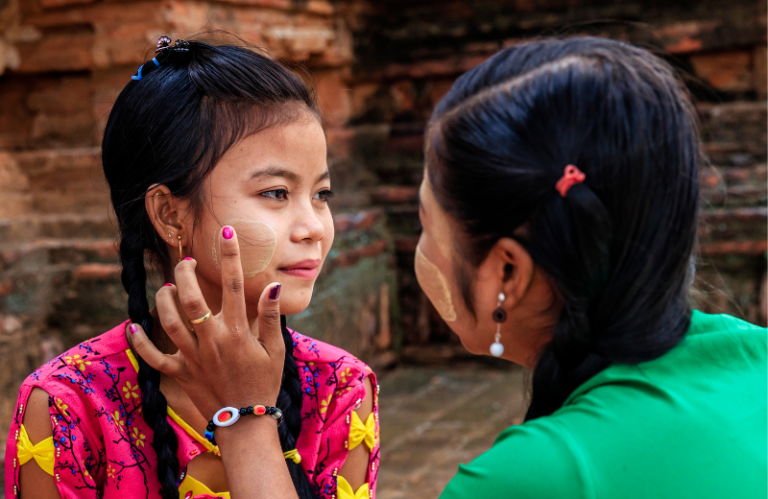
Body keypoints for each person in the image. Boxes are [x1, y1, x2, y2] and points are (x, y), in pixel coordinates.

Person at [5, 38, 379, 499]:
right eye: (277, 193)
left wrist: (248, 418)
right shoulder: (70, 405)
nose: (315, 228)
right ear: (169, 215)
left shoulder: (340, 389)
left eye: (321, 195)